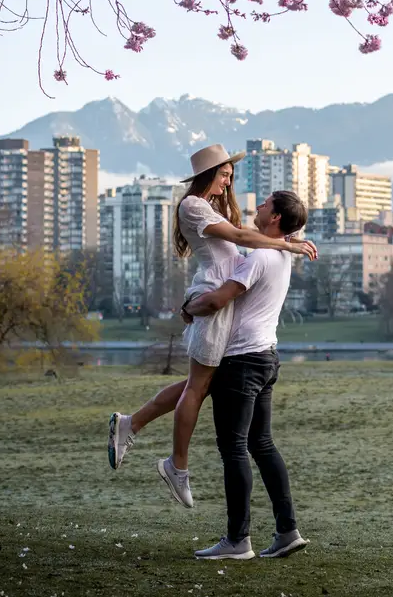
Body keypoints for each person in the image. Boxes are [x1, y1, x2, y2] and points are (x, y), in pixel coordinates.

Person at [107, 144, 317, 509]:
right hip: (215, 299)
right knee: (198, 387)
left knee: (199, 384)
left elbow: (245, 242)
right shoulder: (192, 205)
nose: (229, 179)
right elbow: (238, 239)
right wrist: (289, 245)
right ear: (208, 174)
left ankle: (131, 425)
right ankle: (177, 467)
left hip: (221, 302)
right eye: (224, 173)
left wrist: (286, 242)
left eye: (230, 174)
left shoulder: (210, 208)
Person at [186, 189, 310, 561]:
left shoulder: (259, 257)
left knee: (234, 448)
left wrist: (187, 306)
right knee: (262, 445)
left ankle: (237, 540)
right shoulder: (283, 252)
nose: (258, 206)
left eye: (265, 204)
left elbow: (215, 300)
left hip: (241, 361)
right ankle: (287, 532)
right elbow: (240, 231)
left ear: (274, 218)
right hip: (267, 357)